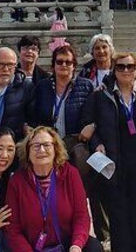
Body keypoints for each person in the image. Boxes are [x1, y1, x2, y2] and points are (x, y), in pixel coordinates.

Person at [32, 45, 106, 242]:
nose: (63, 65)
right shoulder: (42, 87)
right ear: (53, 65)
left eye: (68, 62)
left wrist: (92, 126)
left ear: (74, 65)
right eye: (59, 62)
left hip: (76, 147)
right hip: (50, 148)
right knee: (54, 195)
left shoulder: (85, 86)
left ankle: (97, 235)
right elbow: (33, 115)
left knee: (83, 192)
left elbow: (96, 115)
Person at [82, 52, 136, 251]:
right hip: (114, 168)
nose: (126, 70)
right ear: (114, 69)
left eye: (130, 66)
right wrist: (96, 143)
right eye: (121, 66)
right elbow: (87, 123)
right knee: (119, 221)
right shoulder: (101, 95)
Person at [5, 126, 104, 252]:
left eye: (46, 145)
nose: (41, 150)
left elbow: (81, 216)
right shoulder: (17, 182)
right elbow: (13, 228)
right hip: (31, 248)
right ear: (27, 152)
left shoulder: (71, 174)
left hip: (66, 245)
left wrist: (76, 246)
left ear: (55, 149)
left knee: (93, 247)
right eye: (35, 146)